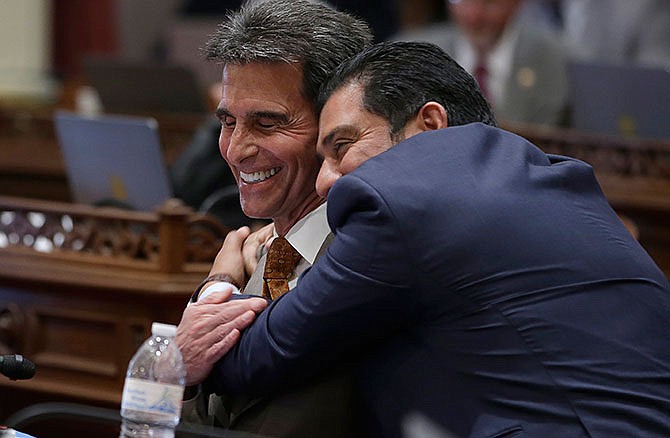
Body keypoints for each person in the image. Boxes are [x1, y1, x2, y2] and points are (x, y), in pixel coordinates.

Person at [187, 41, 670, 437]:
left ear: (430, 124)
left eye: (343, 146)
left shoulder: (405, 203)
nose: (325, 180)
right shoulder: (546, 172)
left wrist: (217, 284)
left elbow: (262, 354)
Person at [174, 0, 373, 436]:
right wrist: (179, 368)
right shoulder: (257, 255)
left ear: (335, 126)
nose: (236, 149)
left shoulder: (373, 258)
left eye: (267, 124)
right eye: (228, 122)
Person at [391, 0, 569, 127]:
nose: (473, 15)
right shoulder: (410, 52)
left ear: (517, 3)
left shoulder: (555, 59)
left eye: (489, 3)